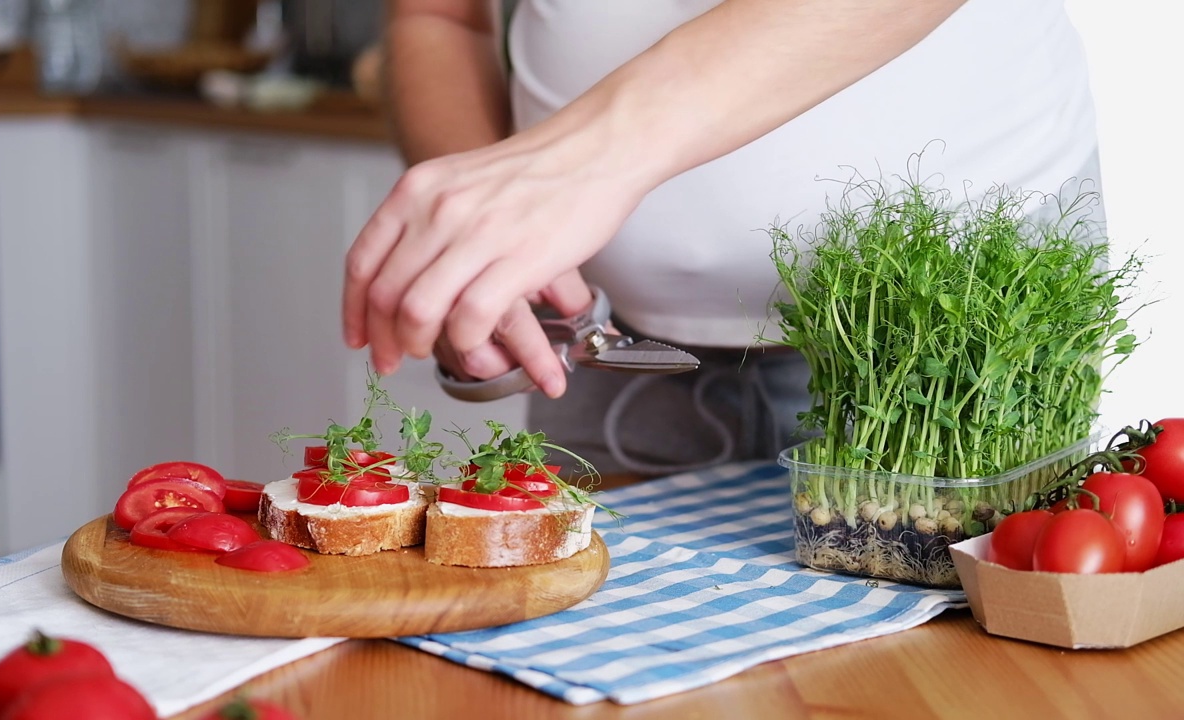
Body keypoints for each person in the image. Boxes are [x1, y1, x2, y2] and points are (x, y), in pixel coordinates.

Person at [341, 0, 1103, 477]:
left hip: (947, 345)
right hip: (599, 344)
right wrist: (482, 220)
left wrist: (586, 158)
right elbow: (440, 16)